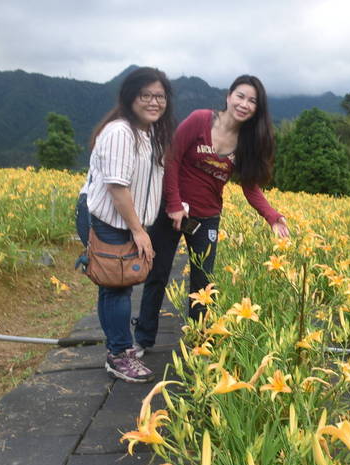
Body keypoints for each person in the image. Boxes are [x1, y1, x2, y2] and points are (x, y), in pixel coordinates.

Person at [133, 74, 289, 354]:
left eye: (252, 101)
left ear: (257, 108)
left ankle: (198, 343)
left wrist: (272, 216)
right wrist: (174, 204)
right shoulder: (200, 120)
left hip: (206, 218)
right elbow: (173, 159)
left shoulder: (247, 142)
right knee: (157, 273)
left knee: (202, 283)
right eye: (240, 96)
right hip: (171, 210)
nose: (244, 104)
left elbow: (250, 188)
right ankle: (143, 339)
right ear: (228, 97)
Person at [75, 67, 174, 383]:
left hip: (122, 220)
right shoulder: (121, 132)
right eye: (146, 95)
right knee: (118, 287)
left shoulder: (146, 133)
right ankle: (119, 355)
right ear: (131, 97)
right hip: (112, 219)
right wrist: (139, 230)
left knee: (114, 285)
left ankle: (119, 349)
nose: (154, 102)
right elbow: (118, 188)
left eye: (159, 96)